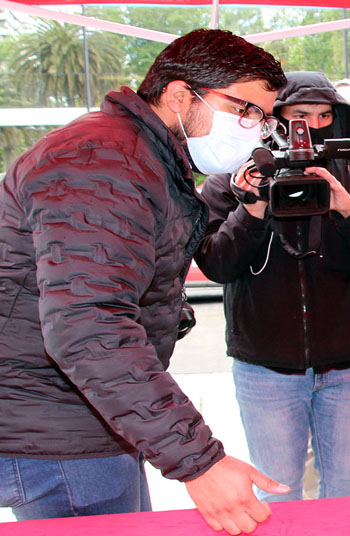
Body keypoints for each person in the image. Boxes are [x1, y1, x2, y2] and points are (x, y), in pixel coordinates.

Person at [0, 29, 288, 534]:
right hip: (55, 426)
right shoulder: (100, 162)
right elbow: (87, 326)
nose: (255, 130)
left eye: (263, 118)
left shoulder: (140, 159)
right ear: (179, 95)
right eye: (246, 111)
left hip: (88, 415)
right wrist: (200, 462)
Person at [195, 71, 350, 502]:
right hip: (265, 367)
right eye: (298, 115)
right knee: (279, 489)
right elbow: (217, 264)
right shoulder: (231, 181)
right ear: (274, 119)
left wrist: (348, 207)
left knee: (347, 483)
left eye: (322, 114)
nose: (311, 126)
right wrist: (252, 209)